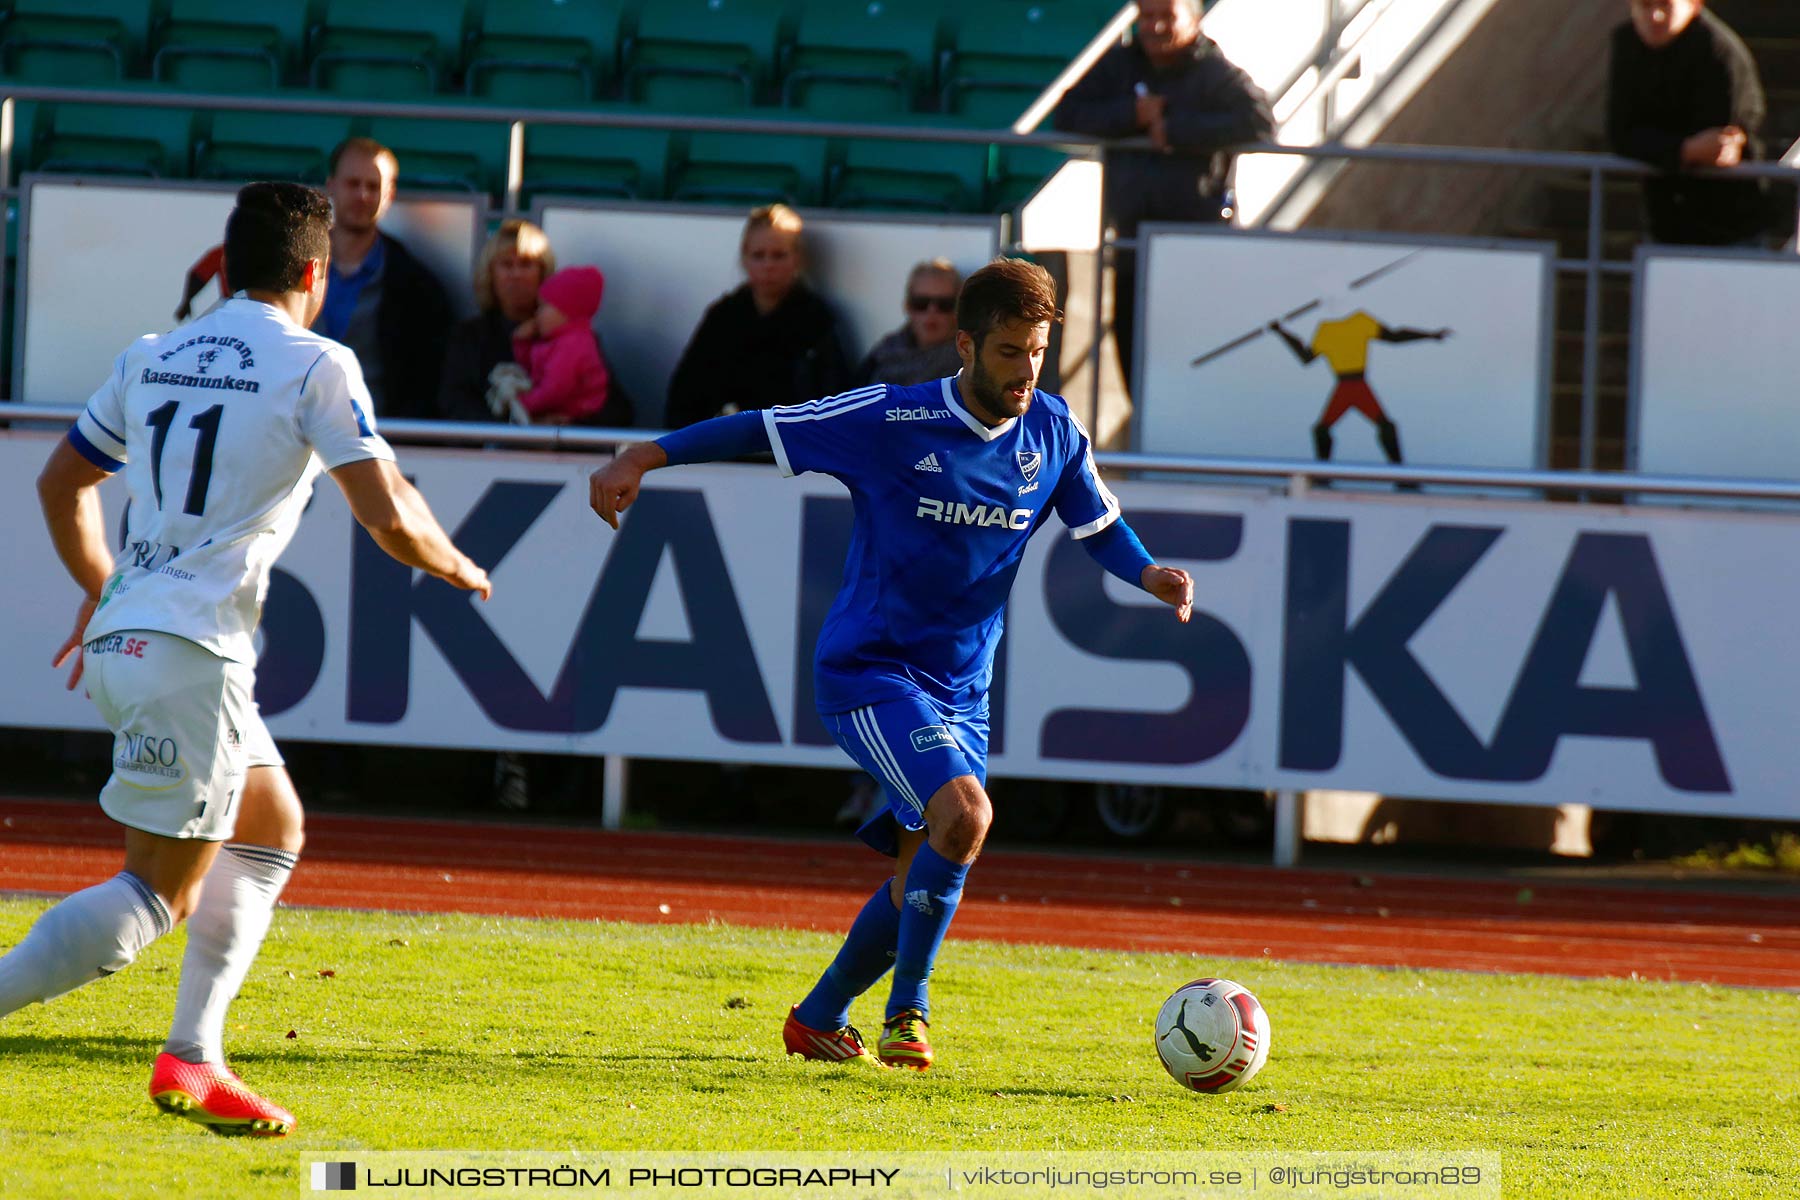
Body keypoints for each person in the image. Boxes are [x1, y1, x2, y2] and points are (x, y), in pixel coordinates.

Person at [589, 259, 1194, 1070]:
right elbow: (763, 427)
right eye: (1010, 352)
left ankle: (819, 1015)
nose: (1026, 372)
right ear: (967, 346)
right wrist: (644, 457)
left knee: (930, 860)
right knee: (967, 816)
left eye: (1038, 353)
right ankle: (909, 1012)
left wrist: (1150, 572)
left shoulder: (1053, 432)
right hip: (870, 671)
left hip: (963, 694)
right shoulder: (890, 416)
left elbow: (1100, 527)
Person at [4, 181, 492, 1137]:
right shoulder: (318, 362)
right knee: (156, 891)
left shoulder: (154, 353)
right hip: (192, 653)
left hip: (131, 637)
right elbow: (389, 515)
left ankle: (192, 1057)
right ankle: (180, 1055)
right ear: (316, 273)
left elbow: (61, 481)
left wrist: (106, 587)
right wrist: (459, 564)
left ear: (223, 267)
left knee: (271, 822)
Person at [1052, 0, 1273, 393]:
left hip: (1197, 244)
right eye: (1146, 17)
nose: (1154, 27)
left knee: (1196, 355)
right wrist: (1132, 116)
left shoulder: (1213, 71)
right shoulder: (1121, 64)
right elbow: (1068, 113)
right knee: (1130, 353)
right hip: (1132, 241)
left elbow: (1259, 122)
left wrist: (1176, 129)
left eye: (1166, 17)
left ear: (1194, 19)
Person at [664, 204, 849, 428]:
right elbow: (685, 395)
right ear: (744, 258)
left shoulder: (817, 320)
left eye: (779, 255)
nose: (768, 266)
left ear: (797, 259)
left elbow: (834, 399)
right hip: (724, 449)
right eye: (758, 255)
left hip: (789, 451)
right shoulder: (723, 318)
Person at [1608, 0, 1770, 248]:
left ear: (1693, 5)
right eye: (1644, 5)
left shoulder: (1719, 50)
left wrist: (1663, 147)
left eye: (1665, 5)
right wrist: (1685, 150)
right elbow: (1619, 134)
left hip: (1731, 225)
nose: (1655, 16)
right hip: (1665, 224)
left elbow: (1719, 146)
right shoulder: (1627, 43)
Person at [317, 137, 455, 419]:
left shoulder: (419, 288)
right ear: (331, 186)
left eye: (373, 186)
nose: (363, 195)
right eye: (353, 183)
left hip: (379, 438)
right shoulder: (290, 270)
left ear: (390, 194)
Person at [1267, 305, 1451, 465]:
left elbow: (1395, 336)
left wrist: (1431, 335)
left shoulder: (1357, 321)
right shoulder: (1329, 328)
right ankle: (1323, 475)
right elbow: (1306, 357)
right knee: (1327, 429)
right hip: (1348, 387)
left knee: (1381, 426)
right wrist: (1281, 331)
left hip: (1356, 386)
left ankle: (1400, 476)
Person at [436, 218, 558, 423]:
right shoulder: (469, 337)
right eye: (507, 265)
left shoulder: (570, 335)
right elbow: (452, 403)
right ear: (490, 274)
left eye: (526, 264)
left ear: (543, 273)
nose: (516, 274)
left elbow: (613, 408)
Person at [498, 265, 613, 426]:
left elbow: (554, 390)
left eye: (544, 306)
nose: (537, 313)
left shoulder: (572, 345)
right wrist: (522, 343)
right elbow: (534, 370)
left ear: (566, 312)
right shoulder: (556, 341)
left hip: (575, 418)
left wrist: (522, 403)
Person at [854, 259, 964, 388]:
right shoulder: (884, 353)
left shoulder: (966, 365)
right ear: (908, 306)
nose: (931, 312)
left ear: (958, 309)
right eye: (921, 303)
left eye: (944, 304)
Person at [173, 244, 228, 323]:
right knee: (195, 331)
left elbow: (198, 275)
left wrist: (186, 301)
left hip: (234, 304)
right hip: (228, 303)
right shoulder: (223, 252)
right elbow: (199, 275)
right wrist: (186, 301)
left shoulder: (225, 251)